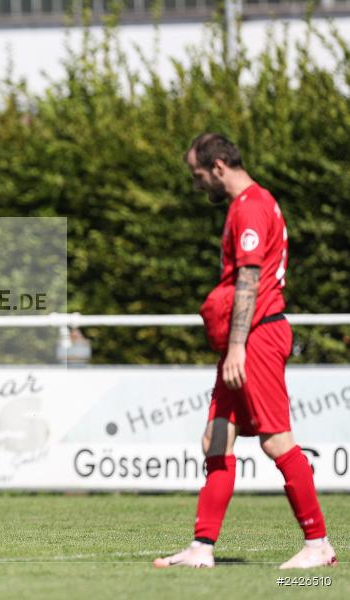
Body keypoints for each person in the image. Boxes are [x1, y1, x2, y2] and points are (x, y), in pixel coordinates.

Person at [155, 133, 335, 570]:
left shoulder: (252, 206)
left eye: (198, 175)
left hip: (256, 336)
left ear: (218, 167)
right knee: (215, 439)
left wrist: (236, 346)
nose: (198, 184)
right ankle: (202, 547)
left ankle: (318, 545)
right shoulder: (248, 204)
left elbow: (249, 280)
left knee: (276, 441)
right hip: (246, 338)